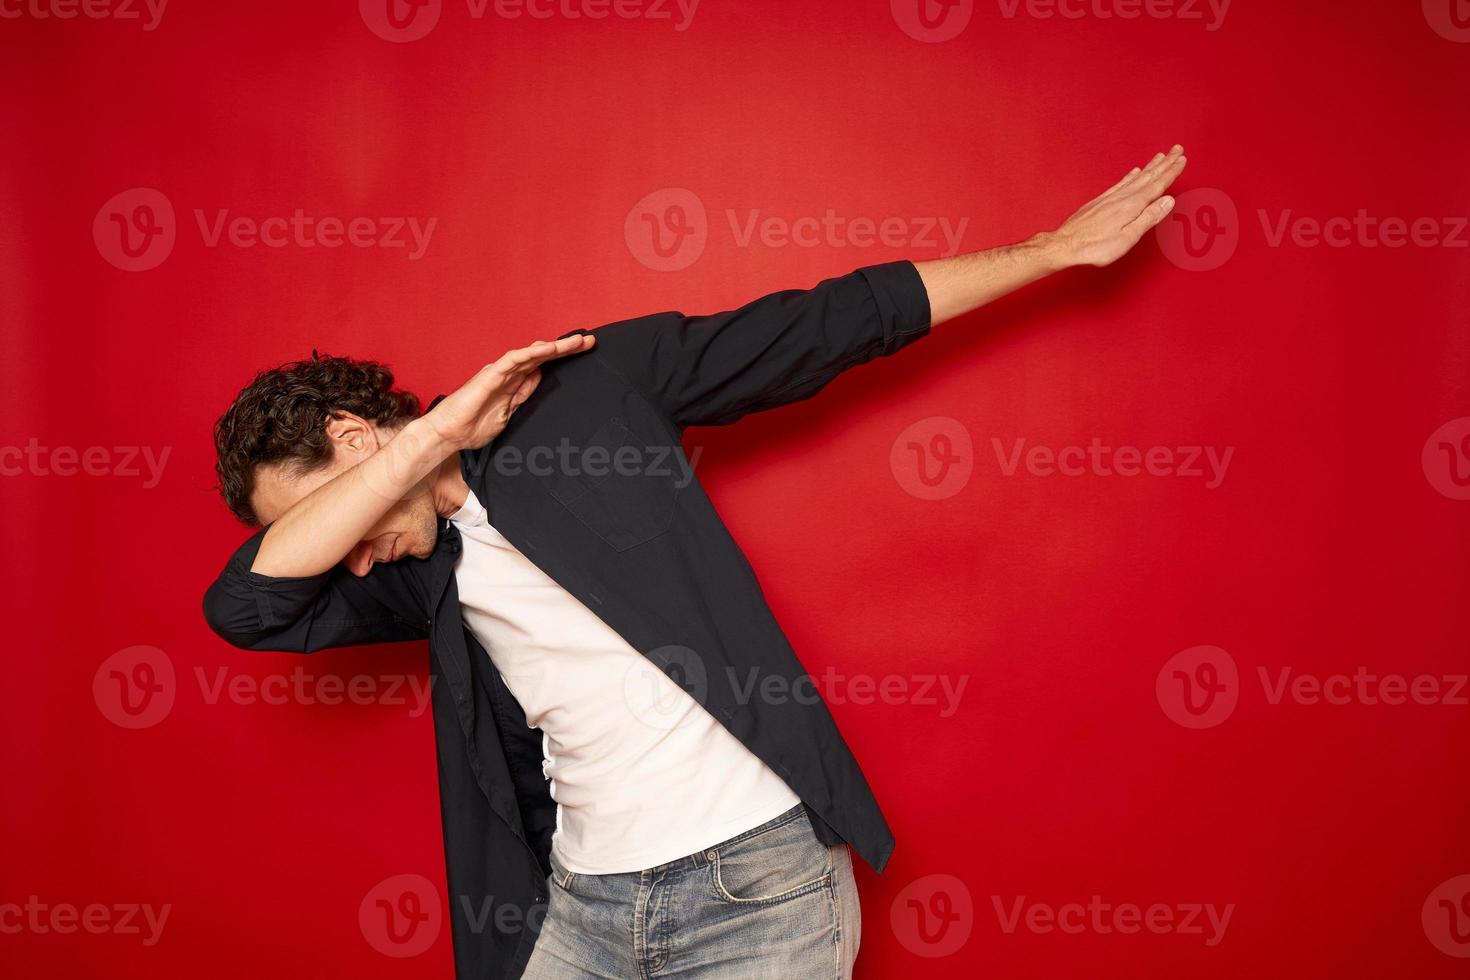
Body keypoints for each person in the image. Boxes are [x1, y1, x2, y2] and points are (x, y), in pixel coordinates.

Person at [203, 146, 1187, 978]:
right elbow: (244, 605)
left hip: (757, 887)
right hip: (583, 908)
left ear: (353, 434)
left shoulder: (582, 397)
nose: (351, 553)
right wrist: (425, 445)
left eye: (332, 507)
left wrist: (1053, 252)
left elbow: (825, 325)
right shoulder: (416, 569)